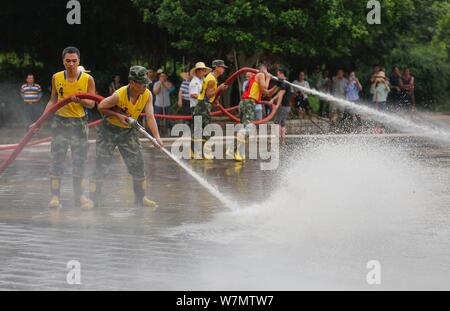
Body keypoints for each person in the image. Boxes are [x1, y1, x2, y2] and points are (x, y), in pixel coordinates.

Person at [89, 66, 163, 208]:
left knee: (138, 165)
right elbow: (101, 107)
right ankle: (93, 199)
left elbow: (150, 117)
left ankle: (141, 198)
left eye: (146, 82)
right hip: (108, 131)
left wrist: (157, 137)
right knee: (101, 164)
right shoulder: (119, 95)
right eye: (142, 83)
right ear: (133, 83)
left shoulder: (147, 94)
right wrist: (118, 115)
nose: (145, 86)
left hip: (129, 132)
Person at [40, 46, 96, 209]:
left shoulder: (87, 79)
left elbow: (92, 103)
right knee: (57, 160)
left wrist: (80, 100)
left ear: (79, 62)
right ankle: (55, 197)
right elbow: (53, 101)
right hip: (60, 123)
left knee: (80, 161)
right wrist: (41, 120)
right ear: (63, 61)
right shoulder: (56, 77)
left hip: (79, 125)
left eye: (74, 61)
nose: (71, 64)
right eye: (68, 61)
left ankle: (80, 196)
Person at [228, 63, 277, 161]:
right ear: (263, 69)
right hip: (249, 103)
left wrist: (278, 86)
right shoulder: (261, 75)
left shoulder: (256, 77)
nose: (268, 73)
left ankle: (234, 151)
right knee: (248, 128)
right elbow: (264, 90)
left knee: (243, 128)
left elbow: (267, 93)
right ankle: (235, 151)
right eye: (266, 70)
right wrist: (268, 78)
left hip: (245, 103)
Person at [194, 60, 229, 159]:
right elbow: (209, 94)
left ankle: (195, 152)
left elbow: (209, 93)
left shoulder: (211, 77)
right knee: (205, 129)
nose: (223, 69)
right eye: (222, 67)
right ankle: (205, 152)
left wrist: (216, 99)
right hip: (204, 106)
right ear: (216, 67)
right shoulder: (212, 79)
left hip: (201, 104)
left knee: (198, 129)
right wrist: (220, 88)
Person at [189, 62, 211, 158]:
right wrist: (203, 98)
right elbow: (193, 94)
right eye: (201, 70)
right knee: (197, 130)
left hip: (203, 108)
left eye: (204, 70)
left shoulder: (203, 81)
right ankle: (194, 151)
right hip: (196, 107)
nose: (203, 72)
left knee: (204, 130)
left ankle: (201, 150)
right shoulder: (195, 82)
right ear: (197, 72)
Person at [271, 68, 292, 142]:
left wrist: (277, 105)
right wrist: (273, 99)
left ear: (281, 74)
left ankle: (277, 140)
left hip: (283, 107)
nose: (277, 75)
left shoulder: (284, 83)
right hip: (287, 107)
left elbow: (281, 95)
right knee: (283, 123)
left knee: (277, 123)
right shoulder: (285, 83)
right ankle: (282, 140)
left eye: (278, 74)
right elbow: (280, 93)